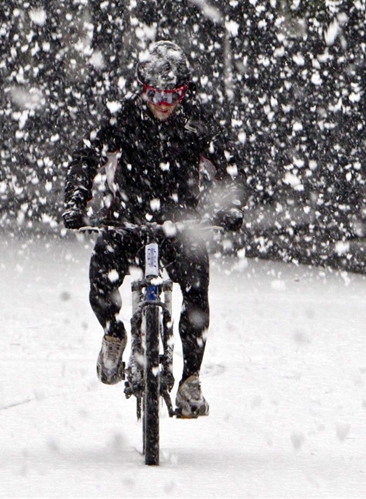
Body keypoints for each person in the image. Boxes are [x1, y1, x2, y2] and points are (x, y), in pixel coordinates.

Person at [62, 40, 244, 418]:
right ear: (142, 90)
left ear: (184, 92)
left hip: (180, 226)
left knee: (197, 288)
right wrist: (77, 202)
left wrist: (229, 206)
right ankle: (114, 333)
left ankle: (190, 380)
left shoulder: (196, 122)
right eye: (154, 93)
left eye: (173, 94)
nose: (163, 102)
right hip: (128, 222)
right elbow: (87, 155)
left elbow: (227, 165)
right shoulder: (124, 118)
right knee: (101, 270)